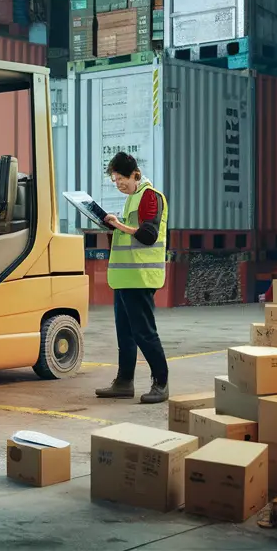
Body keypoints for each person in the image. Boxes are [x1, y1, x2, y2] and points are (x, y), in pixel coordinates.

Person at [95, 152, 169, 403]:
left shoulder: (150, 196)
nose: (118, 184)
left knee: (144, 333)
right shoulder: (132, 199)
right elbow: (129, 235)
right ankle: (124, 382)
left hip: (140, 278)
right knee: (125, 333)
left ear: (135, 174)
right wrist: (112, 226)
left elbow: (148, 235)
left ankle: (161, 382)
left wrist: (119, 225)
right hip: (125, 279)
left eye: (121, 179)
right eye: (114, 180)